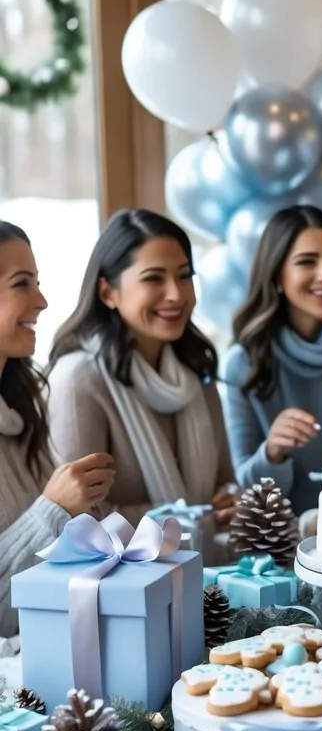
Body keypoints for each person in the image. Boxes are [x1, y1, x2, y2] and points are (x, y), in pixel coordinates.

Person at [48, 209, 235, 531]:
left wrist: (230, 502)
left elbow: (225, 485)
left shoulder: (197, 370)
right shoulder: (78, 379)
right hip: (120, 579)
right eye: (154, 278)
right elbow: (81, 519)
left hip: (208, 570)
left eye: (184, 275)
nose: (176, 294)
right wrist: (190, 518)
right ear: (108, 292)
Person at [223, 205, 322, 518]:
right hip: (285, 545)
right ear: (277, 276)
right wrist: (272, 452)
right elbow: (247, 486)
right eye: (306, 262)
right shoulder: (244, 363)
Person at [0, 221, 115, 634]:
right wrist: (54, 510)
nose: (42, 301)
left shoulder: (22, 402)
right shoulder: (73, 378)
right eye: (21, 284)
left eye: (38, 282)